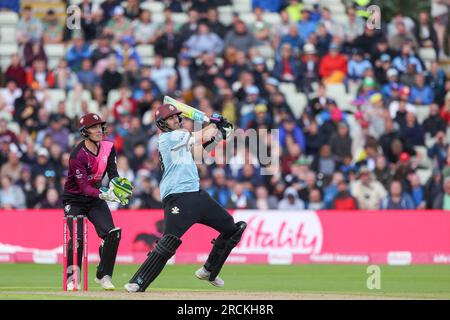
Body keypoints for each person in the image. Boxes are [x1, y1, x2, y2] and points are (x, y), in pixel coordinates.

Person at [124, 102, 245, 293]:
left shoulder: (181, 141)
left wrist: (220, 133)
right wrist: (215, 123)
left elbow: (200, 150)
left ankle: (209, 270)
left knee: (232, 228)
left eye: (176, 117)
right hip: (178, 197)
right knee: (169, 241)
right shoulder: (168, 138)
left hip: (196, 194)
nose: (177, 120)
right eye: (172, 118)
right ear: (162, 124)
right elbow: (202, 135)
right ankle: (138, 282)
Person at [62, 113, 133, 291]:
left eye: (100, 126)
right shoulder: (77, 155)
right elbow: (84, 188)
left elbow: (113, 173)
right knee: (77, 239)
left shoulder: (109, 147)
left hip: (95, 199)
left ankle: (104, 275)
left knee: (113, 234)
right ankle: (73, 278)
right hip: (75, 199)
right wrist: (105, 195)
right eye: (94, 127)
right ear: (85, 132)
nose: (99, 130)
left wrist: (117, 187)